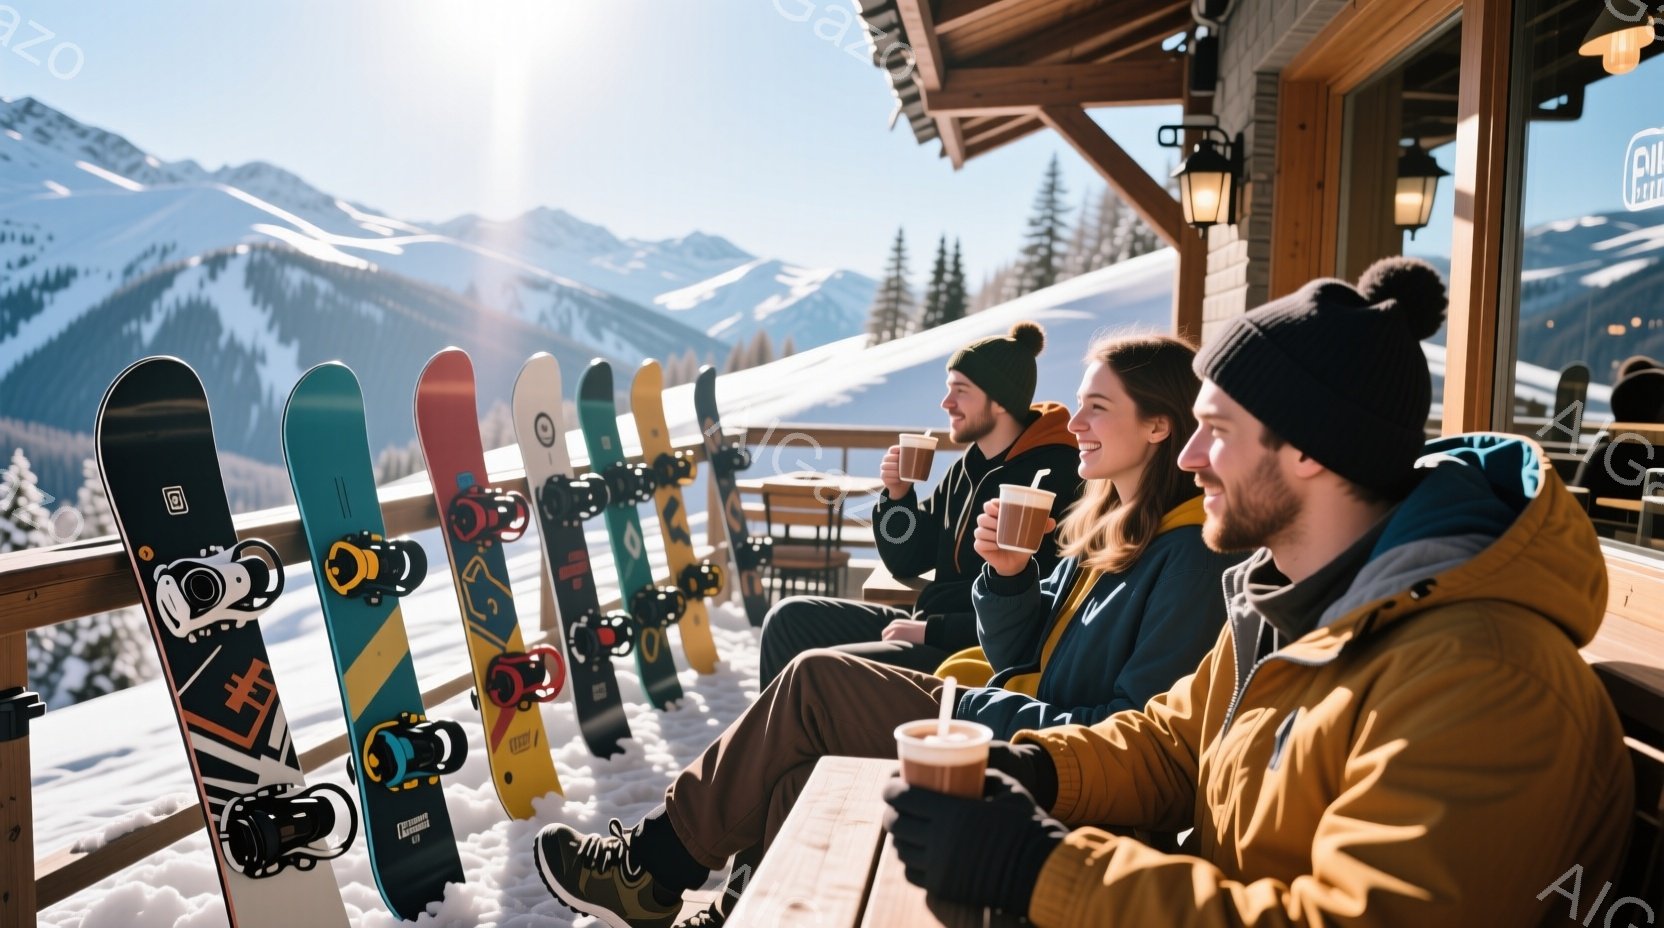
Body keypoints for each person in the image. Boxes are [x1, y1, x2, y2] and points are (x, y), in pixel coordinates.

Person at [878, 257, 1633, 926]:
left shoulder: (1482, 675)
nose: (1191, 456)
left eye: (1218, 429)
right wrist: (1039, 767)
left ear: (1308, 448)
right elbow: (1173, 748)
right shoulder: (1285, 604)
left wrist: (1040, 870)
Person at [532, 334, 1238, 928]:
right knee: (800, 769)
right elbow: (1013, 647)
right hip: (1007, 720)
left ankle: (653, 868)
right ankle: (744, 902)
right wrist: (1009, 576)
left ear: (1159, 426)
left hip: (1047, 777)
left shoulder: (1187, 562)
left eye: (1097, 407)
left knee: (815, 680)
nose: (1076, 420)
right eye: (1079, 403)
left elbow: (1137, 746)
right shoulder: (1105, 531)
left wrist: (973, 705)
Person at [757, 321, 1084, 684]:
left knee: (815, 670)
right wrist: (897, 495)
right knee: (788, 619)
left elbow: (1046, 610)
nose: (946, 403)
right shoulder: (969, 467)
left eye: (960, 391)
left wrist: (934, 631)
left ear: (1000, 400)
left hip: (973, 652)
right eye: (948, 388)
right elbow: (908, 557)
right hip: (928, 624)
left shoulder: (1055, 478)